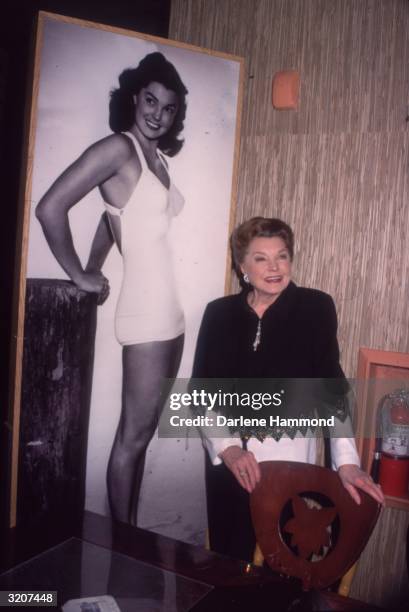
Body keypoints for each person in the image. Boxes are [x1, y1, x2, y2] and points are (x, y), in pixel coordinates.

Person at [36, 52, 188, 524]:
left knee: (140, 437)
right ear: (133, 98)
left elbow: (113, 215)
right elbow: (50, 207)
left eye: (168, 108)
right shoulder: (119, 148)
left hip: (171, 316)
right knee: (130, 441)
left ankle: (132, 532)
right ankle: (125, 545)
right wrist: (79, 274)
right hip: (144, 314)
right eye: (150, 101)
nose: (157, 115)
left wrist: (95, 263)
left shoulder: (154, 158)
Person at [191, 217, 384, 561]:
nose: (275, 267)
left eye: (282, 256)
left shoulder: (315, 309)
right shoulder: (218, 315)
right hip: (232, 466)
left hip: (288, 464)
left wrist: (346, 461)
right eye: (261, 258)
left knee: (284, 568)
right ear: (242, 267)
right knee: (229, 565)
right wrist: (228, 448)